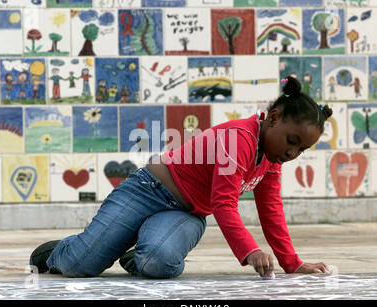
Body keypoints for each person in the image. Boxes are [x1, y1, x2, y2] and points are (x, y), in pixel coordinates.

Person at [30, 76, 332, 279]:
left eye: (301, 149)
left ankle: (138, 250)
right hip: (147, 192)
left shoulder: (271, 158)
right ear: (274, 118)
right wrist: (250, 251)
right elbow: (225, 205)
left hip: (185, 214)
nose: (293, 153)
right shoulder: (239, 138)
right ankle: (63, 250)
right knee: (80, 265)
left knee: (157, 263)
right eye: (292, 141)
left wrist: (292, 263)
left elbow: (271, 210)